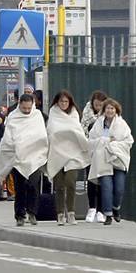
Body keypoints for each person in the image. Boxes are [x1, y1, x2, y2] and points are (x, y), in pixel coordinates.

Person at [0, 94, 48, 226]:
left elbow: (41, 134)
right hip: (18, 158)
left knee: (33, 185)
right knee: (20, 187)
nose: (27, 111)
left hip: (34, 157)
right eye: (24, 108)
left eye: (29, 108)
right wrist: (18, 145)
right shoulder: (13, 117)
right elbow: (8, 138)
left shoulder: (37, 116)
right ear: (19, 105)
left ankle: (32, 212)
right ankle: (19, 215)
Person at [46, 90, 90, 226]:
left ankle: (71, 212)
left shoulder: (75, 115)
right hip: (57, 153)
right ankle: (60, 214)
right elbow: (52, 132)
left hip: (72, 154)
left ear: (70, 102)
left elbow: (77, 132)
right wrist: (66, 133)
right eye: (61, 101)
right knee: (59, 185)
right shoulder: (53, 115)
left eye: (66, 101)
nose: (63, 104)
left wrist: (69, 134)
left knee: (71, 183)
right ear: (57, 102)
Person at [88, 98, 133, 225]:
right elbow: (91, 141)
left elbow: (128, 142)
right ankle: (107, 215)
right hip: (103, 160)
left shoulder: (122, 125)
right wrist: (105, 141)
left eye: (112, 108)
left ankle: (116, 208)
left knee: (119, 188)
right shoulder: (98, 124)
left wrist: (113, 145)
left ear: (116, 110)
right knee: (107, 187)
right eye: (107, 108)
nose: (110, 110)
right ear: (104, 110)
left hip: (118, 159)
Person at [81, 90, 108, 223]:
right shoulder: (86, 113)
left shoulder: (109, 114)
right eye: (96, 105)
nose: (98, 108)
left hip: (103, 151)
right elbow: (83, 128)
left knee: (103, 180)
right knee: (91, 179)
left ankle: (101, 211)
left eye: (100, 105)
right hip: (90, 149)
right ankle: (92, 208)